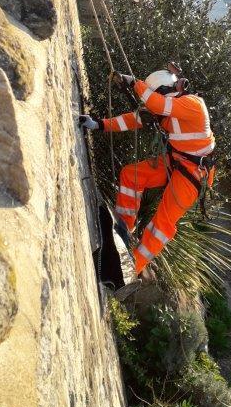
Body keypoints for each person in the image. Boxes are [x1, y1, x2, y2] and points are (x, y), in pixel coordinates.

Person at [79, 67, 215, 275]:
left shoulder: (193, 105)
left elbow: (157, 103)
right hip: (177, 161)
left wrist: (134, 83)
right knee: (131, 175)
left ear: (164, 91)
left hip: (195, 173)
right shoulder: (165, 108)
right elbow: (135, 118)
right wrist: (100, 125)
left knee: (162, 223)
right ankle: (123, 229)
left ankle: (128, 270)